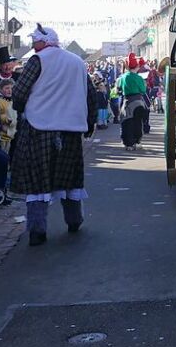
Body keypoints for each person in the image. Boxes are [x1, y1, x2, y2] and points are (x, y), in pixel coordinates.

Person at [11, 25, 97, 247]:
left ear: (43, 41)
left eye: (34, 41)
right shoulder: (78, 62)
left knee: (38, 181)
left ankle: (37, 231)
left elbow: (20, 92)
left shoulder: (38, 60)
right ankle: (74, 220)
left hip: (38, 127)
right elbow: (90, 95)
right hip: (70, 128)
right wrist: (89, 123)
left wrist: (21, 108)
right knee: (70, 178)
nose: (32, 45)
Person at [118, 54, 149, 150]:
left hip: (127, 101)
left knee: (127, 123)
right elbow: (143, 90)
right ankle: (137, 141)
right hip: (138, 102)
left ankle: (128, 144)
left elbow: (119, 89)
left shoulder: (123, 77)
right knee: (138, 123)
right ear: (137, 66)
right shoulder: (139, 78)